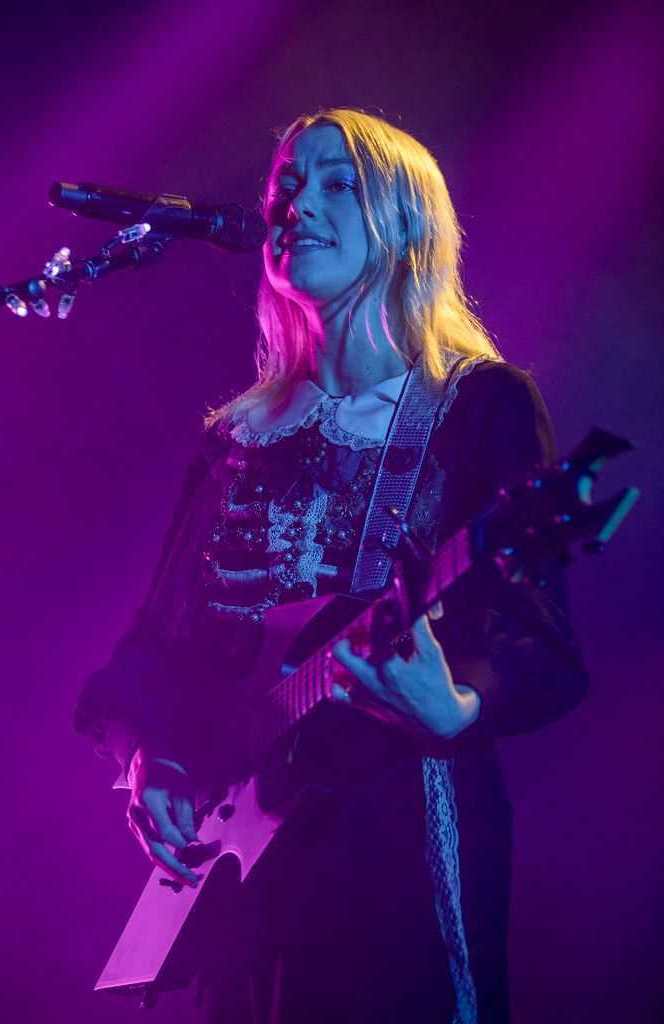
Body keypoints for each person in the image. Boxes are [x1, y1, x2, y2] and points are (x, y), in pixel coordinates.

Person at [76, 109, 589, 1024]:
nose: (294, 206)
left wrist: (458, 701)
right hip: (247, 862)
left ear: (406, 224)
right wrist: (149, 758)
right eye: (284, 186)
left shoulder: (477, 406)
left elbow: (536, 637)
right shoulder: (235, 437)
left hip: (396, 831)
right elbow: (153, 646)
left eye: (336, 183)